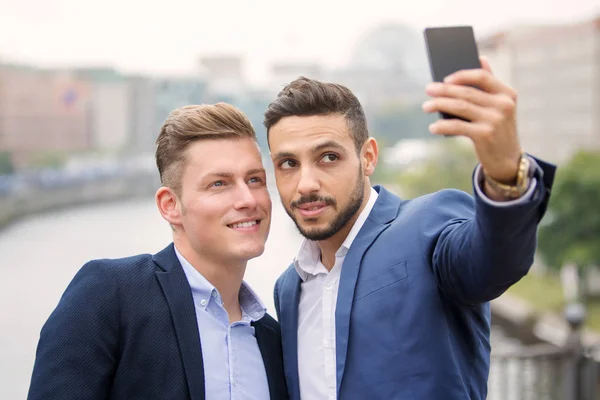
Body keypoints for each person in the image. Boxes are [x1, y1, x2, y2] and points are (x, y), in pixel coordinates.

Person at [264, 58, 555, 400]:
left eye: (328, 157)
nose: (306, 184)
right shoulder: (287, 289)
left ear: (368, 157)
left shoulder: (429, 225)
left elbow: (495, 263)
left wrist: (505, 175)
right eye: (288, 164)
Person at [28, 103, 289, 400]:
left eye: (254, 179)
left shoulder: (272, 340)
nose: (247, 199)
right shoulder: (111, 296)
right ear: (170, 206)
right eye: (219, 183)